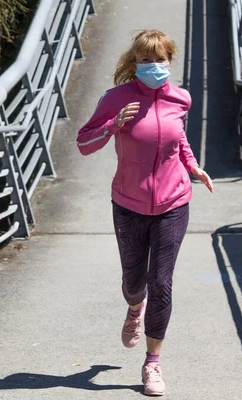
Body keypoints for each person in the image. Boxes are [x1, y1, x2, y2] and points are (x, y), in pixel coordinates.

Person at [76, 29, 213, 396]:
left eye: (160, 60)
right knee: (134, 282)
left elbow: (178, 137)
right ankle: (134, 310)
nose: (154, 67)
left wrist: (193, 167)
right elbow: (84, 144)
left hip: (173, 203)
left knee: (161, 283)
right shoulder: (116, 99)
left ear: (170, 62)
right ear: (135, 62)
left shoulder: (180, 98)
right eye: (146, 60)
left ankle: (152, 364)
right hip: (128, 203)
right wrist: (113, 124)